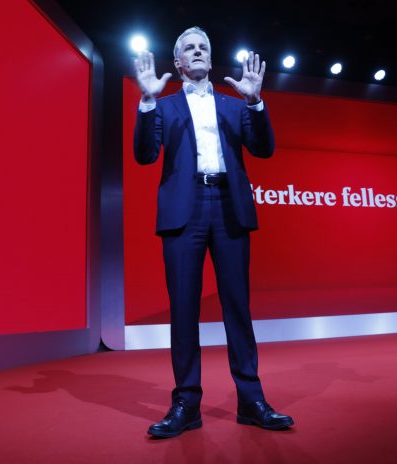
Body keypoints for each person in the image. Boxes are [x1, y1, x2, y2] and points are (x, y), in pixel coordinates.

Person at [133, 26, 294, 438]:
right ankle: (186, 404)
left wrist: (255, 102)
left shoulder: (234, 105)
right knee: (184, 309)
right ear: (178, 63)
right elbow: (145, 155)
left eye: (203, 46)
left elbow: (263, 149)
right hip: (183, 212)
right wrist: (147, 101)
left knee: (237, 307)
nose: (198, 51)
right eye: (189, 47)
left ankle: (251, 400)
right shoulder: (164, 107)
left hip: (228, 207)